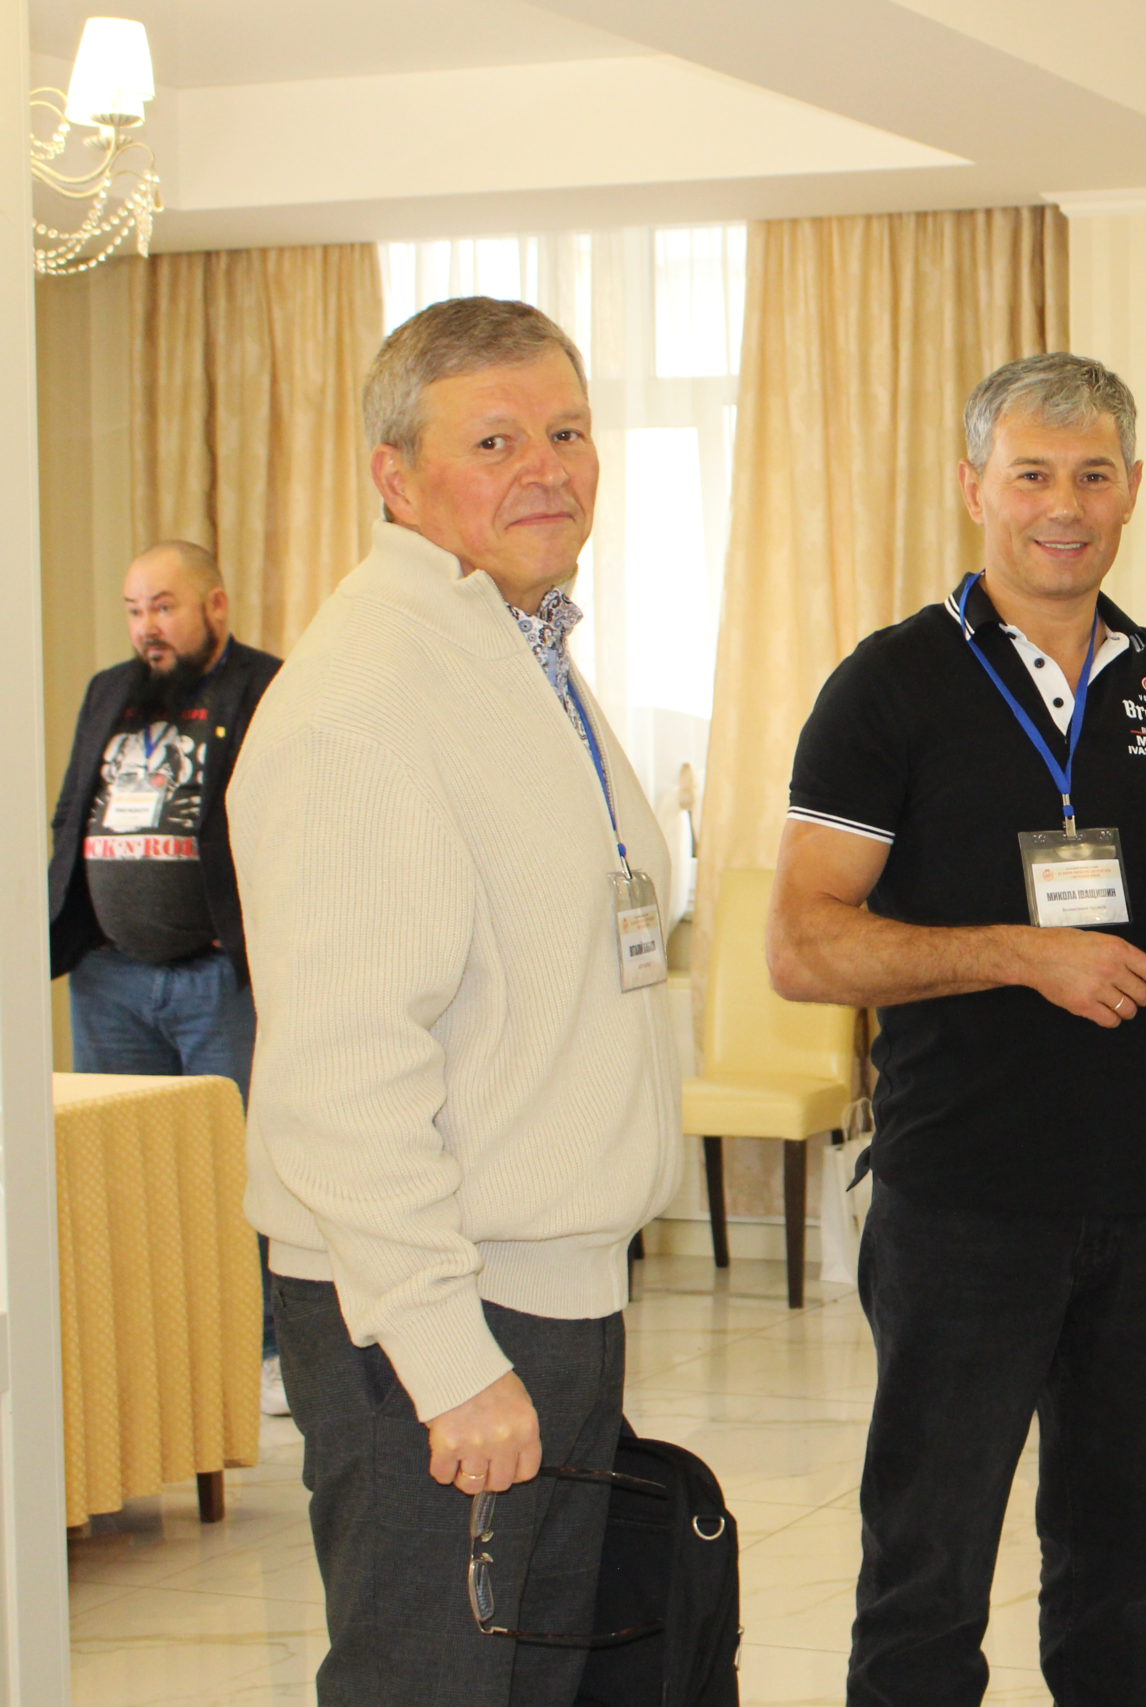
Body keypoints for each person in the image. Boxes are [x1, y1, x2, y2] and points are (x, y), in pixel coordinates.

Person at [767, 351, 1146, 1707]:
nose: (1065, 505)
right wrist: (1021, 953)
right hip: (963, 1199)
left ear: (1133, 491)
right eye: (1033, 474)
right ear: (974, 487)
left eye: (1093, 475)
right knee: (927, 1571)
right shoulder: (890, 684)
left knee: (1124, 1568)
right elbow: (804, 945)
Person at [230, 297, 685, 1707]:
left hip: (547, 1290)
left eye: (568, 430)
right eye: (494, 441)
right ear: (396, 475)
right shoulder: (367, 696)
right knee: (431, 1682)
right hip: (437, 1315)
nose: (547, 468)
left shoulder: (517, 650)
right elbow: (340, 1069)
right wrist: (445, 1356)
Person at [49, 540, 290, 1408]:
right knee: (124, 1175)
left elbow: (283, 821)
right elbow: (74, 809)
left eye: (163, 606)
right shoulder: (108, 691)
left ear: (215, 605)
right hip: (110, 978)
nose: (147, 626)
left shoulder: (265, 687)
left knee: (241, 1173)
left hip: (217, 981)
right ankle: (149, 1360)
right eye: (134, 609)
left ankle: (267, 1349)